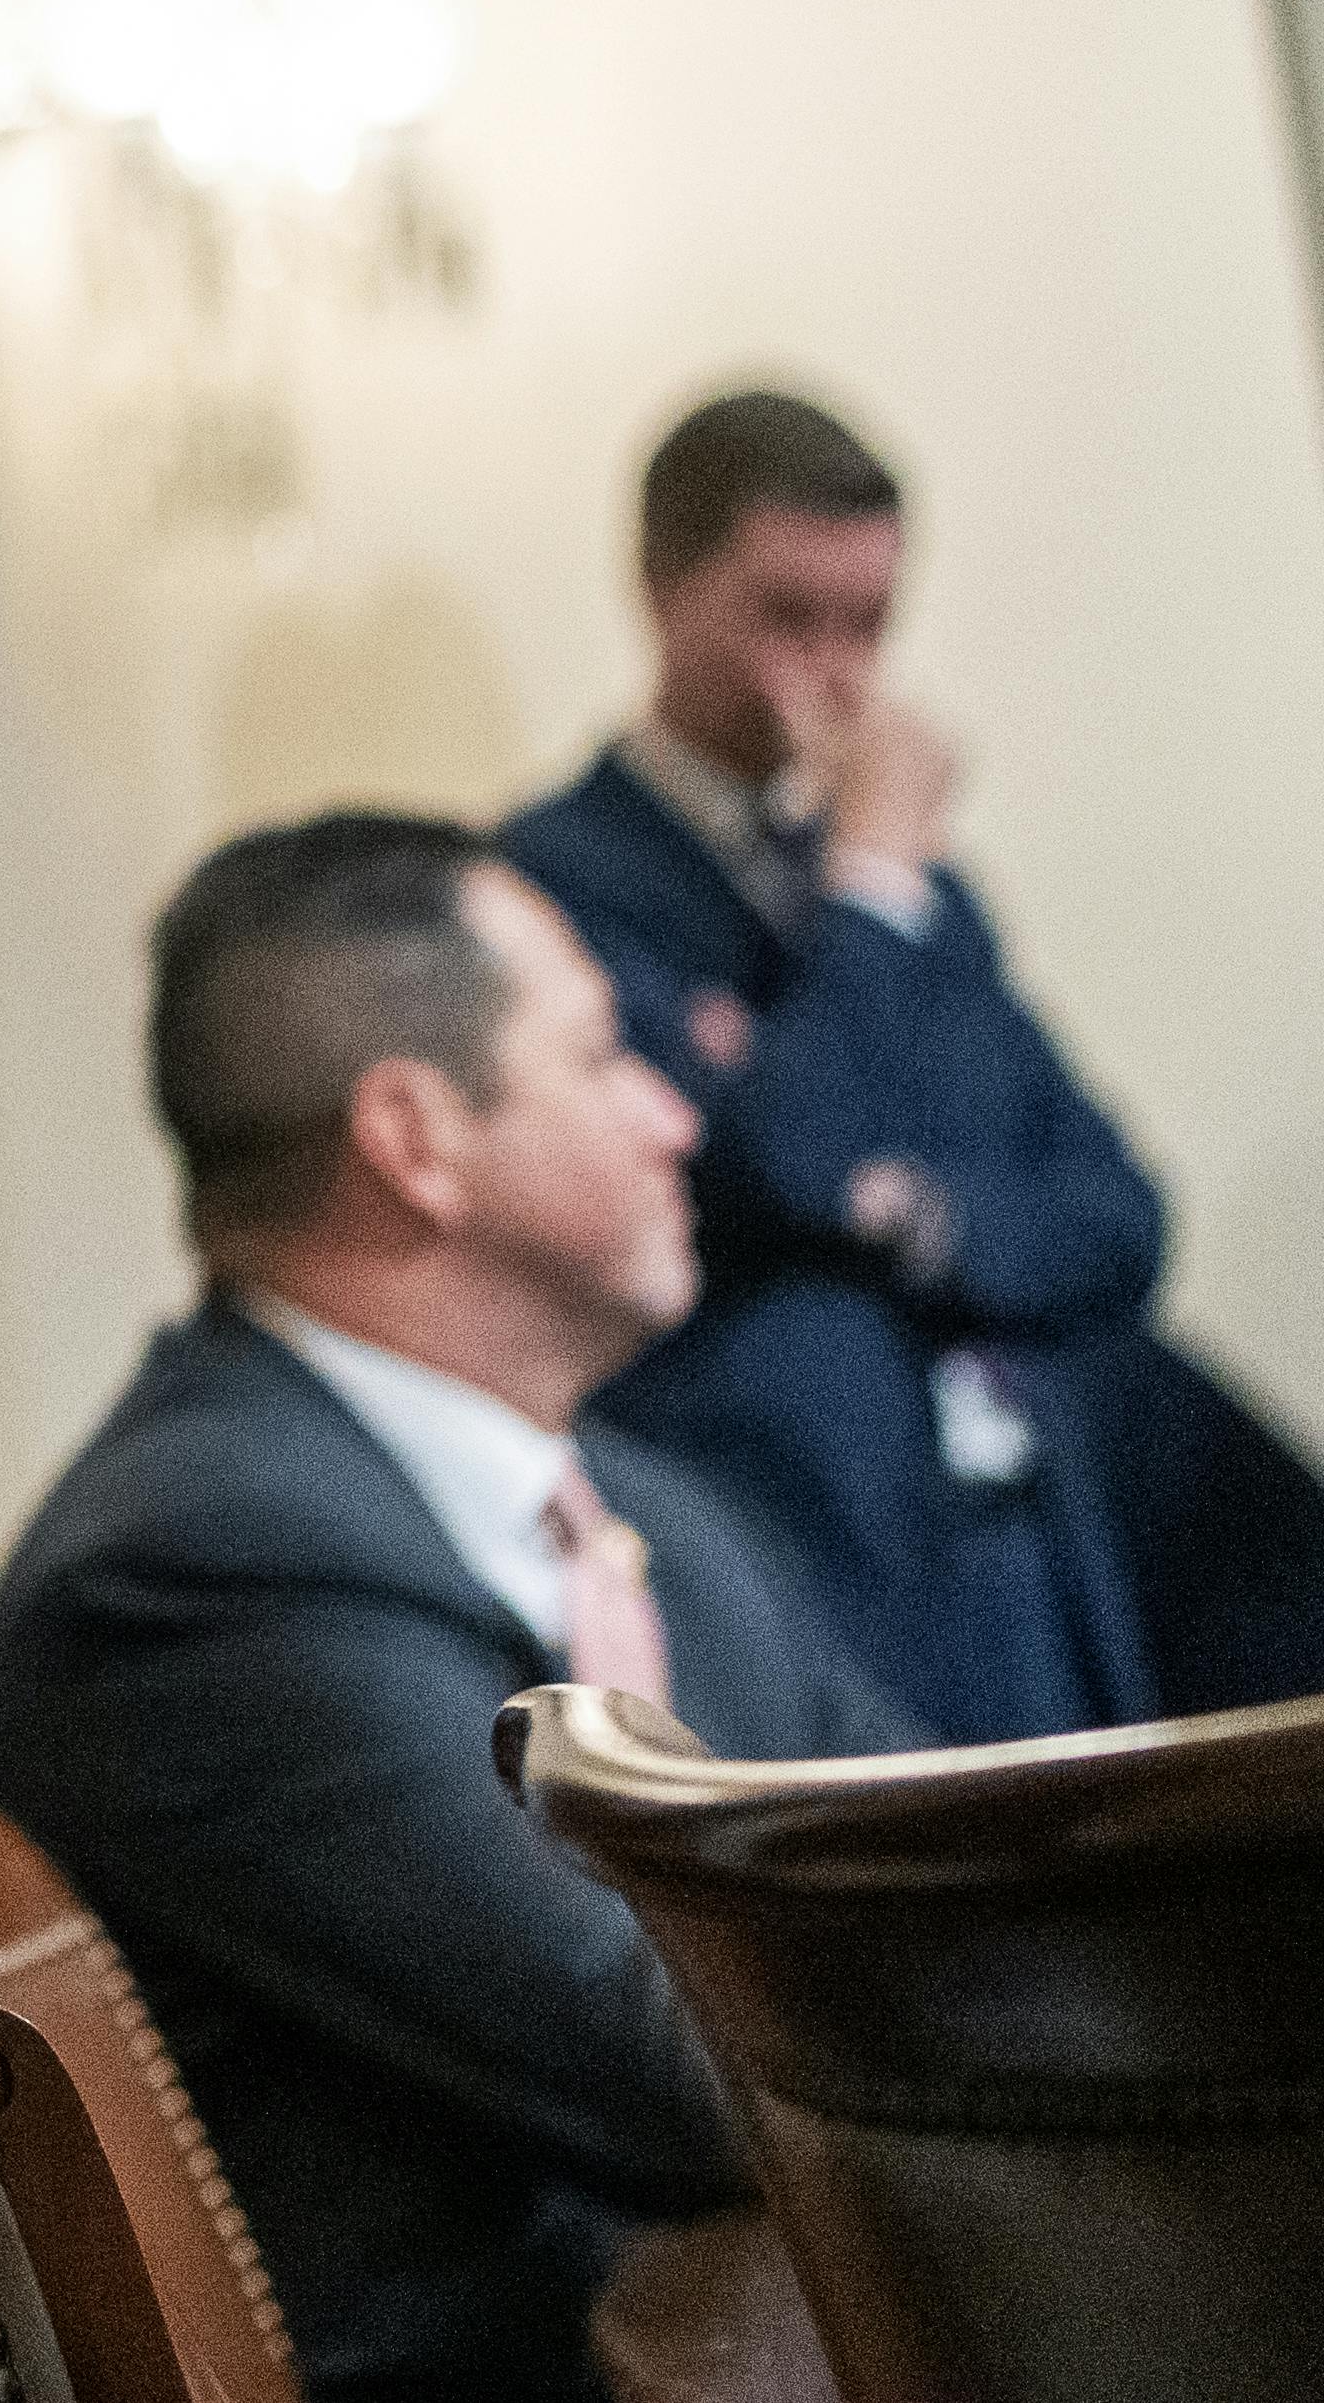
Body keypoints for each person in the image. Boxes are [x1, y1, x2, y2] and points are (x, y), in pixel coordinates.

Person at [0, 815, 918, 2403]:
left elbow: (960, 1859)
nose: (677, 1115)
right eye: (604, 1055)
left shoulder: (651, 1513)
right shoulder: (196, 1568)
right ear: (414, 1137)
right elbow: (692, 2077)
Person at [494, 387, 1316, 1736]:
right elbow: (772, 1164)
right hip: (809, 1547)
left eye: (867, 622)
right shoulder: (558, 885)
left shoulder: (927, 895)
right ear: (659, 587)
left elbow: (1114, 1212)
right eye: (785, 616)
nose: (834, 671)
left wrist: (917, 1214)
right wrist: (869, 882)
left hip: (1043, 1543)